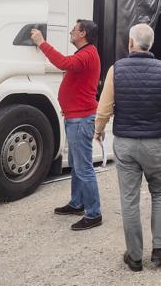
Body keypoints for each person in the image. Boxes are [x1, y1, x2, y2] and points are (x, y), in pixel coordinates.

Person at [95, 23, 161, 271]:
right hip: (154, 142)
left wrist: (98, 131)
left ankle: (133, 256)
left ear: (130, 43)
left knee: (129, 199)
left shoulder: (116, 69)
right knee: (160, 192)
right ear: (150, 44)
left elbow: (104, 108)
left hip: (126, 143)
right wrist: (154, 117)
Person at [31, 20, 102, 230]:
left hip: (81, 119)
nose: (71, 31)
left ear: (83, 33)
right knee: (77, 165)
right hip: (76, 118)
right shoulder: (87, 54)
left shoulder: (87, 54)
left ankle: (93, 213)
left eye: (74, 28)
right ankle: (77, 203)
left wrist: (41, 43)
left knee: (84, 168)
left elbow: (63, 63)